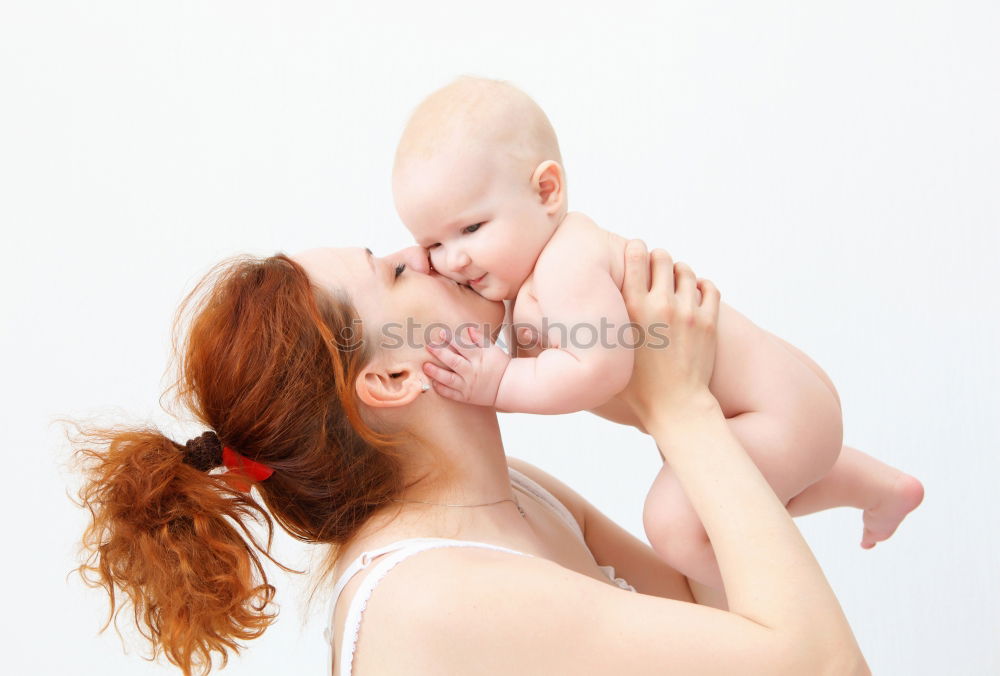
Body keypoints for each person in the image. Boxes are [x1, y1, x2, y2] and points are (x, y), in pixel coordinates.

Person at [73, 240, 868, 675]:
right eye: (392, 272)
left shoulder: (520, 498)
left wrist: (701, 402)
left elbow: (729, 622)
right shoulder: (432, 594)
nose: (425, 253)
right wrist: (681, 406)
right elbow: (822, 667)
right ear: (390, 377)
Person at [391, 76, 924, 590]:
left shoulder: (566, 263)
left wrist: (500, 381)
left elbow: (599, 365)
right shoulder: (531, 279)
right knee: (732, 496)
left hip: (773, 413)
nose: (452, 259)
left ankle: (768, 617)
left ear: (546, 191)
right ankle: (878, 486)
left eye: (471, 229)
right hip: (780, 404)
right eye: (433, 244)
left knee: (674, 523)